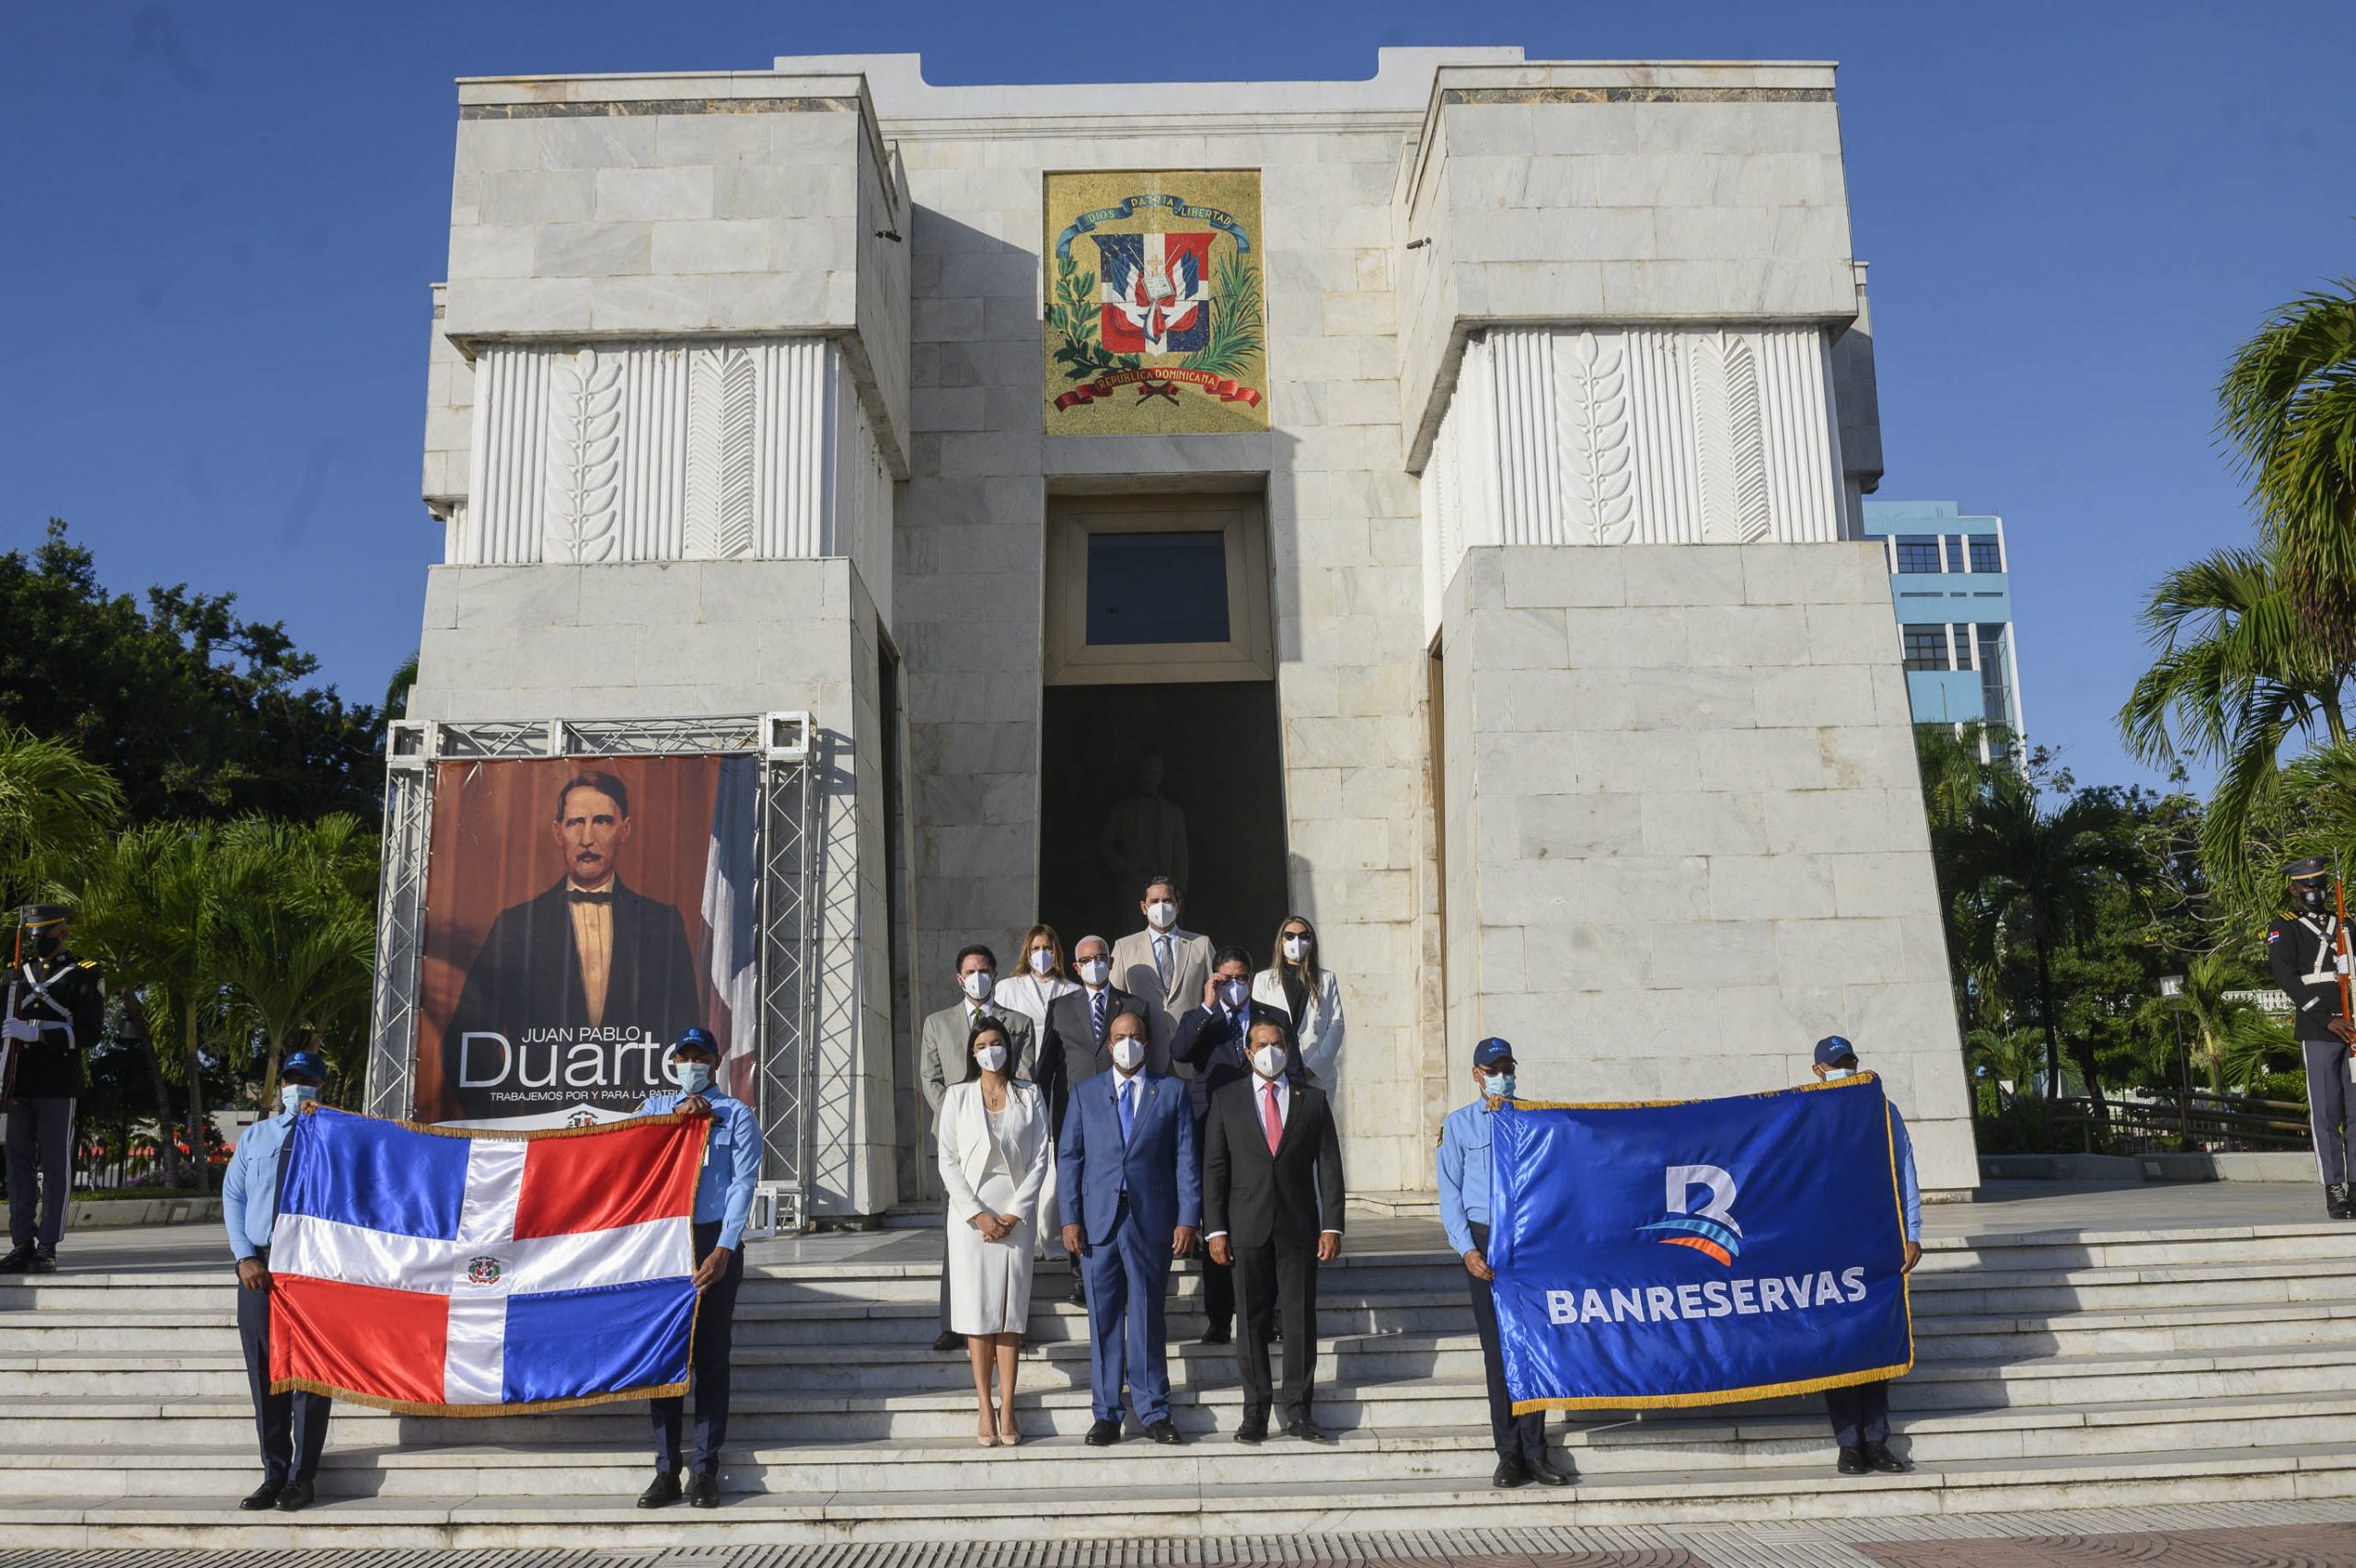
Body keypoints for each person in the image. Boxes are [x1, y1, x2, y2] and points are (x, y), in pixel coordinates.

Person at [441, 770, 701, 1117]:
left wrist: (664, 1114)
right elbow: (466, 1039)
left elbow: (686, 1036)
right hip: (539, 1129)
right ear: (557, 832)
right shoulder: (516, 925)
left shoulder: (662, 923)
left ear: (624, 829)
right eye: (576, 822)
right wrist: (508, 1117)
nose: (587, 838)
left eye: (602, 821)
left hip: (638, 1129)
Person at [1438, 1037, 1575, 1489]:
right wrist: (1467, 1250)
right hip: (1485, 1239)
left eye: (1507, 1067)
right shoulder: (1458, 1126)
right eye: (1493, 1068)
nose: (1502, 1076)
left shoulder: (1536, 1119)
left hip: (1530, 1243)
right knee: (1499, 1354)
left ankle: (1537, 1450)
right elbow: (1450, 1196)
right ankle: (1509, 1453)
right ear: (1476, 1074)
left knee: (1532, 1349)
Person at [632, 1026, 760, 1510]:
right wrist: (675, 1125)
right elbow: (630, 1161)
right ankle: (666, 1469)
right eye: (684, 1057)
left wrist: (725, 1247)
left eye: (700, 1056)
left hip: (712, 1241)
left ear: (714, 1061)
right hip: (665, 1243)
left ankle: (706, 1469)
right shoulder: (653, 1110)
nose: (692, 1064)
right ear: (672, 1064)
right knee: (665, 1358)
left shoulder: (737, 1115)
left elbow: (742, 1185)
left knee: (710, 1357)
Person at [1057, 1009, 1197, 1446]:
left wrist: (1187, 1217)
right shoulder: (1085, 1093)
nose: (1127, 1043)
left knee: (1147, 1317)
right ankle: (1106, 1413)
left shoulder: (1171, 1091)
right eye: (1119, 1036)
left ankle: (1155, 1410)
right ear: (1109, 1042)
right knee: (1102, 1320)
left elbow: (1185, 1160)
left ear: (1147, 1043)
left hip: (1149, 1220)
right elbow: (1070, 1160)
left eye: (1135, 1036)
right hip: (1099, 1223)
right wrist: (1070, 1217)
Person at [1203, 1019, 1344, 1445]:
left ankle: (1300, 1411)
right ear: (1248, 1052)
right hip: (1246, 1225)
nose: (1269, 1050)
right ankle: (1255, 1412)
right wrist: (1216, 1230)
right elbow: (1214, 1168)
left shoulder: (1313, 1100)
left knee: (1300, 1320)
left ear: (1289, 1049)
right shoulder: (1226, 1099)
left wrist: (1332, 1224)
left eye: (1277, 1043)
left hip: (1299, 1225)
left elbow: (1331, 1166)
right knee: (1250, 1321)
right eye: (1261, 1044)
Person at [221, 1051, 335, 1512]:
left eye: (306, 1079)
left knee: (310, 1374)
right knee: (265, 1374)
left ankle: (302, 1477)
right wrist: (244, 1256)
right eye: (291, 1078)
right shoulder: (258, 1135)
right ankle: (272, 1474)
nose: (296, 1085)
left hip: (313, 1267)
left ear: (321, 1086)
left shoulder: (338, 1136)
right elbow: (234, 1196)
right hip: (260, 1268)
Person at [1809, 1034, 1922, 1477]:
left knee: (1875, 1338)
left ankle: (1877, 1441)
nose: (1845, 1068)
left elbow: (1904, 1170)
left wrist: (1912, 1233)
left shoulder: (1882, 1110)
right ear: (1818, 1070)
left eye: (1849, 1061)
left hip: (1876, 1238)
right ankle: (1848, 1445)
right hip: (1826, 1244)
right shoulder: (1805, 1112)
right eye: (1836, 1063)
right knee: (1839, 1344)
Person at [937, 1018, 1051, 1447]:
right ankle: (985, 1405)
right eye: (983, 1043)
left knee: (1009, 1312)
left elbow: (1041, 1156)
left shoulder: (1030, 1094)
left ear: (1008, 1047)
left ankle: (1009, 1403)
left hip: (1015, 1216)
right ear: (972, 1051)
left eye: (998, 1042)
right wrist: (979, 1215)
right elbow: (947, 1160)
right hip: (972, 1219)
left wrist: (1017, 1213)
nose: (991, 1050)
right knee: (978, 1313)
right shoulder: (958, 1096)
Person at [1172, 946, 1295, 1344]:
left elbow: (1292, 1070)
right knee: (1217, 1227)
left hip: (1265, 1130)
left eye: (1241, 978)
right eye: (1226, 979)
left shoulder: (1272, 1018)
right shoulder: (1201, 1019)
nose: (1235, 986)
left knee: (1269, 1226)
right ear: (1213, 979)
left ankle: (1269, 1314)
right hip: (1215, 1131)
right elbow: (1180, 1053)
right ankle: (1219, 1317)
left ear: (1251, 977)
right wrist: (1209, 1007)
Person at [919, 945, 1038, 1351]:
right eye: (970, 970)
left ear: (995, 973)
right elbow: (930, 1078)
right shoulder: (938, 1023)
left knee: (1012, 1240)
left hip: (1010, 1144)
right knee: (960, 1237)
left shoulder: (1019, 1023)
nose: (977, 976)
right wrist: (962, 1117)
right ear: (959, 977)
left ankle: (1011, 1322)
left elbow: (1024, 1076)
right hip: (958, 1144)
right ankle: (955, 1321)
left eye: (984, 970)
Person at [1042, 933, 1149, 1306]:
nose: (1095, 963)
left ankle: (1128, 1261)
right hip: (1074, 1111)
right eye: (1087, 959)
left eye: (1101, 957)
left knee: (1120, 1184)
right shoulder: (1060, 1006)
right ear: (1075, 966)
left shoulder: (1133, 1005)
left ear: (1111, 961)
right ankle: (1079, 1275)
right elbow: (1046, 1067)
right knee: (1074, 1189)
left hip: (1123, 1112)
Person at [2, 905, 103, 1274]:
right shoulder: (15, 975)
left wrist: (40, 1033)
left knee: (55, 1167)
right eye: (35, 937)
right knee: (18, 1168)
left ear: (64, 934)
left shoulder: (83, 975)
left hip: (58, 1084)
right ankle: (20, 1243)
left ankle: (47, 1246)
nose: (40, 942)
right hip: (17, 1083)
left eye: (46, 935)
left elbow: (91, 1032)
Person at [994, 925, 1081, 1274]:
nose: (1041, 954)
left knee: (1055, 1159)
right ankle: (1022, 1233)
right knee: (1021, 1157)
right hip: (1020, 1079)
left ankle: (1052, 1237)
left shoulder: (1071, 989)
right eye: (1035, 948)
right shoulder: (1008, 989)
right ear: (1026, 952)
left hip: (1060, 1082)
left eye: (1047, 947)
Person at [2270, 857, 2355, 1218]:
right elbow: (2286, 977)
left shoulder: (2346, 922)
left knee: (2355, 1113)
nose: (2316, 893)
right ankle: (2335, 1190)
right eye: (2308, 887)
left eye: (2320, 885)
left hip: (2353, 1025)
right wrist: (2325, 1018)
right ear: (2294, 890)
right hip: (2319, 1030)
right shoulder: (2285, 927)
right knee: (2325, 1112)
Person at [1252, 914, 1345, 1137]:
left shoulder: (1326, 978)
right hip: (1278, 1070)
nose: (1297, 942)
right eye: (1290, 936)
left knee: (1315, 1136)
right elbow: (1257, 1026)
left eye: (1304, 936)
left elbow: (1337, 1025)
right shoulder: (1264, 980)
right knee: (1281, 1137)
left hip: (1317, 1072)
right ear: (1281, 941)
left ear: (1311, 941)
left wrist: (1314, 1068)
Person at [1111, 877, 1212, 1060]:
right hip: (1143, 1056)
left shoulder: (1201, 945)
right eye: (1155, 901)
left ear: (1177, 905)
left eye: (1167, 901)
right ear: (1144, 908)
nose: (1161, 906)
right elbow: (1114, 1001)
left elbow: (1216, 998)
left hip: (1191, 1053)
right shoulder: (1124, 948)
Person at [1098, 753, 1189, 910]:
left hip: (1166, 889)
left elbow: (1181, 854)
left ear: (1161, 776)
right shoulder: (1122, 810)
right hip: (1133, 887)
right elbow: (1106, 844)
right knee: (1133, 933)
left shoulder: (1173, 813)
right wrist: (1124, 870)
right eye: (1145, 773)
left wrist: (1179, 889)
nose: (1149, 778)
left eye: (1154, 773)